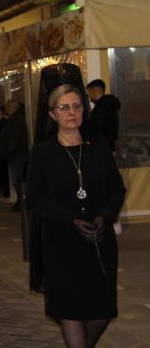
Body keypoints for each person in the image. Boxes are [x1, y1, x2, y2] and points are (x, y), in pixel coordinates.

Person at [26, 84, 126, 348]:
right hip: (62, 245)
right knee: (70, 311)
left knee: (103, 313)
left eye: (77, 106)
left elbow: (117, 189)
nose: (72, 112)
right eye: (64, 107)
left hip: (98, 243)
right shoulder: (42, 152)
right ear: (52, 115)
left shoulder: (99, 147)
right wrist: (70, 221)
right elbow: (35, 199)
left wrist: (105, 216)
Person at [0, 99, 29, 212]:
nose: (5, 107)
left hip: (16, 156)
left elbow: (14, 139)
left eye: (7, 105)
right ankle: (20, 202)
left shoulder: (16, 120)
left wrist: (7, 151)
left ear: (12, 107)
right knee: (17, 180)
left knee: (17, 180)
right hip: (15, 155)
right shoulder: (14, 119)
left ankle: (22, 203)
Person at [86, 79, 121, 152]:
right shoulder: (109, 106)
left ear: (93, 91)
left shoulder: (102, 108)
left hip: (102, 150)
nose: (88, 96)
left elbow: (99, 131)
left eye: (89, 92)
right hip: (107, 148)